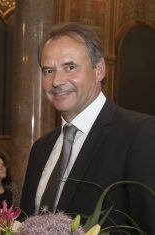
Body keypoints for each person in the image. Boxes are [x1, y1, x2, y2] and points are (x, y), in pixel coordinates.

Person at [20, 22, 155, 234]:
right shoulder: (41, 148)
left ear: (99, 69)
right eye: (48, 71)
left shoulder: (139, 135)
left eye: (70, 67)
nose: (56, 81)